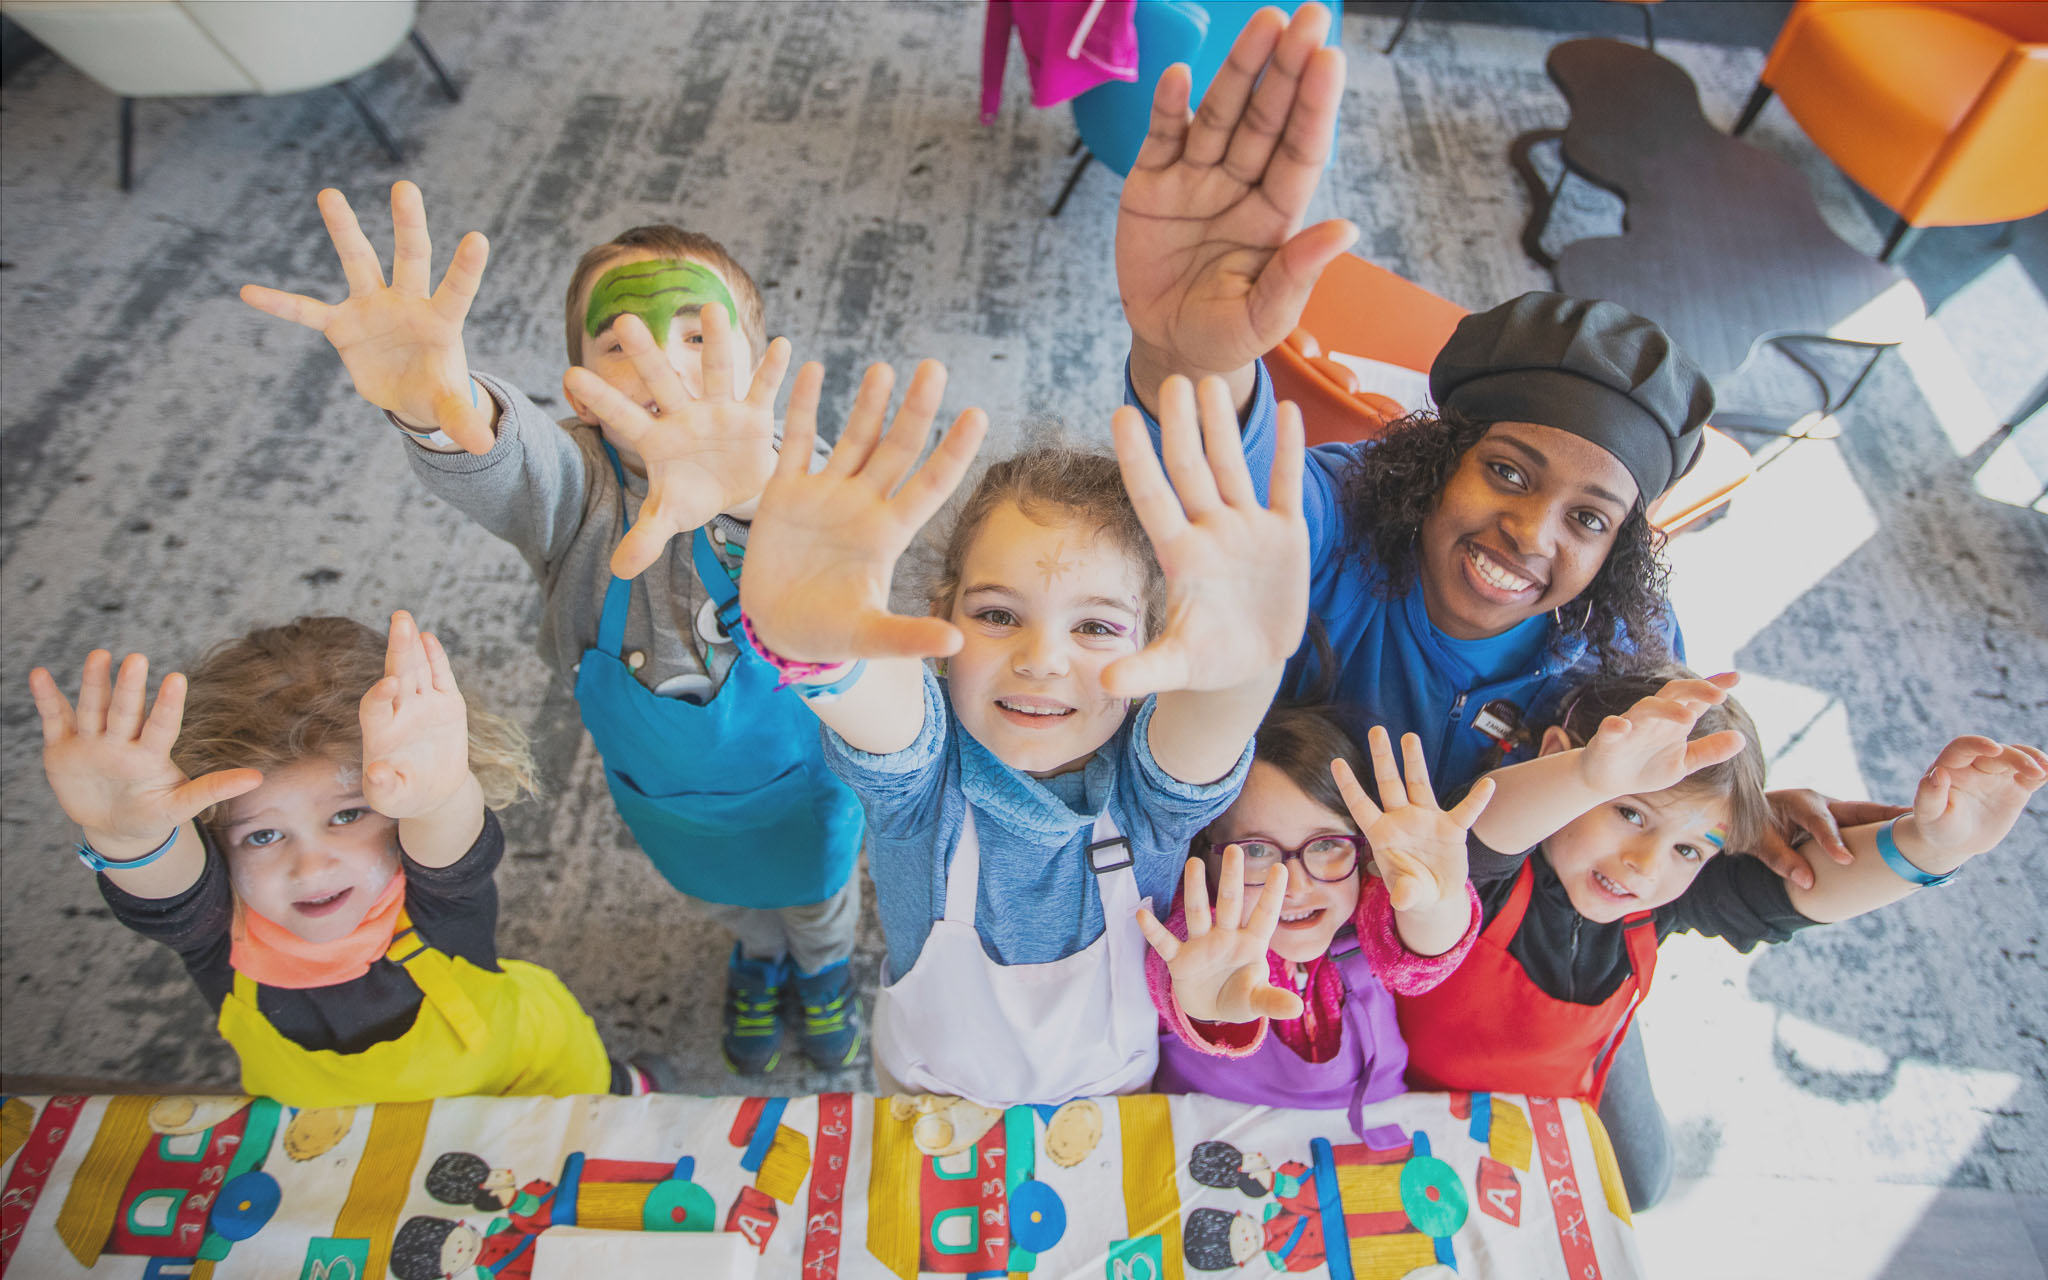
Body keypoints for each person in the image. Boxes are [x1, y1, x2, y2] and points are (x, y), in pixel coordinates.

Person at [1109, 2, 1888, 886]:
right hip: (1250, 883)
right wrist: (1191, 352)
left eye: (1590, 520)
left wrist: (1739, 812)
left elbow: (1657, 783)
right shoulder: (1342, 517)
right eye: (1508, 471)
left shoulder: (1619, 642)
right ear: (1440, 458)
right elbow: (1232, 487)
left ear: (1622, 549)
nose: (1532, 532)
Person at [239, 184, 865, 1074]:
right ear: (575, 383)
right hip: (665, 795)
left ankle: (825, 967)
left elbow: (842, 562)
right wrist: (441, 405)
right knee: (721, 896)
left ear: (754, 357)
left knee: (818, 896)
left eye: (696, 335)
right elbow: (504, 455)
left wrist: (758, 492)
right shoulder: (576, 482)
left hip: (802, 785)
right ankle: (755, 958)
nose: (660, 361)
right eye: (617, 342)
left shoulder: (801, 472)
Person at [716, 359, 1308, 1106]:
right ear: (941, 613)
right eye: (998, 615)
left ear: (1157, 648)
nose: (1040, 660)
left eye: (1095, 626)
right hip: (928, 1089)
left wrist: (1245, 668)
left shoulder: (1149, 791)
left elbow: (1208, 726)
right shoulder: (924, 778)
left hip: (1110, 1096)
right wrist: (829, 651)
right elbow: (883, 712)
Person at [1396, 668, 2046, 1209]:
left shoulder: (1660, 902)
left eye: (1687, 847)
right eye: (1629, 812)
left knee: (1642, 1187)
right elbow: (1482, 828)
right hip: (1406, 1101)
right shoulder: (1497, 866)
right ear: (1557, 758)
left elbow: (1802, 888)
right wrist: (1588, 776)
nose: (1645, 865)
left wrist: (1929, 848)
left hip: (1546, 1100)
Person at [26, 612, 662, 1107]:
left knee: (597, 1114)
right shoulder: (218, 927)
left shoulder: (437, 902)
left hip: (526, 1077)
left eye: (347, 815)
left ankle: (619, 1087)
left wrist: (442, 790)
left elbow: (454, 848)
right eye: (263, 836)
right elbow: (165, 894)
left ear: (399, 817)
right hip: (346, 1130)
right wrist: (128, 838)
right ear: (211, 843)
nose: (313, 867)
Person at [1139, 704, 1488, 1133]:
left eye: (1324, 845)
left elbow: (1420, 958)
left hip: (1367, 1139)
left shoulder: (1370, 912)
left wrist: (1436, 901)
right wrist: (1202, 1003)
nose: (1296, 885)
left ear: (1363, 849)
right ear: (1206, 853)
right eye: (1257, 851)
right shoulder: (1195, 935)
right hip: (1211, 1146)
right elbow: (1173, 965)